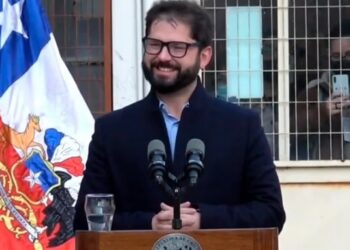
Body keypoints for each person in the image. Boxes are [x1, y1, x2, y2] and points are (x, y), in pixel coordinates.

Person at [73, 0, 285, 232]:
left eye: (177, 47)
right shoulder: (111, 131)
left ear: (204, 56)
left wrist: (205, 220)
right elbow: (86, 221)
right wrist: (149, 224)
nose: (163, 57)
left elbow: (271, 212)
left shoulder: (241, 126)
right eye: (154, 45)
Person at [291, 20, 350, 160]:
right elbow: (289, 130)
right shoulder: (315, 89)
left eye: (348, 54)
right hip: (327, 171)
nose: (342, 61)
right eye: (336, 56)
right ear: (328, 57)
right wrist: (323, 111)